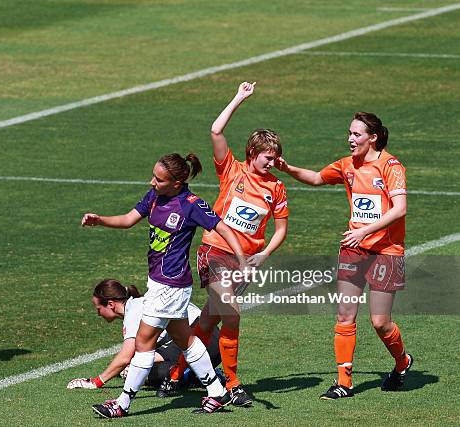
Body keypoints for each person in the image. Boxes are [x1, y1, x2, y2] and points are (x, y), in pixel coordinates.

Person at [81, 153, 248, 417]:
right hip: (159, 283)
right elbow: (127, 219)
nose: (152, 182)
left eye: (159, 179)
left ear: (178, 182)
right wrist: (100, 219)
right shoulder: (154, 197)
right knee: (186, 339)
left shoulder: (191, 205)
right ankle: (218, 392)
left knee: (144, 343)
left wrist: (241, 258)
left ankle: (122, 404)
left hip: (171, 286)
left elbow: (223, 227)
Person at [159, 82, 289, 407]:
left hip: (244, 261)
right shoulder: (232, 171)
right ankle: (232, 384)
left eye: (275, 158)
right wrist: (240, 98)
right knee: (232, 314)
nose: (272, 163)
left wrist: (264, 254)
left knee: (209, 320)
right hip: (214, 251)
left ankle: (176, 372)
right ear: (252, 153)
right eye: (267, 157)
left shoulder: (277, 188)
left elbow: (281, 228)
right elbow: (216, 130)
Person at [275, 111, 412, 399]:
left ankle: (402, 362)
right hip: (353, 248)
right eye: (349, 134)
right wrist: (287, 169)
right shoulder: (346, 165)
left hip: (386, 252)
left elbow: (399, 209)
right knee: (344, 314)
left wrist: (365, 231)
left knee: (380, 322)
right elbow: (315, 178)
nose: (350, 139)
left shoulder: (391, 166)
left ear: (372, 137)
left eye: (356, 134)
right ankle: (344, 383)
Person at [66, 279, 221, 391]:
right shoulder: (139, 303)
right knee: (144, 368)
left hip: (203, 339)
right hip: (211, 338)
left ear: (111, 304)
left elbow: (126, 356)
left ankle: (202, 377)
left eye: (98, 308)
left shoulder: (133, 310)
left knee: (154, 374)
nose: (98, 314)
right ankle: (204, 375)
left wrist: (96, 382)